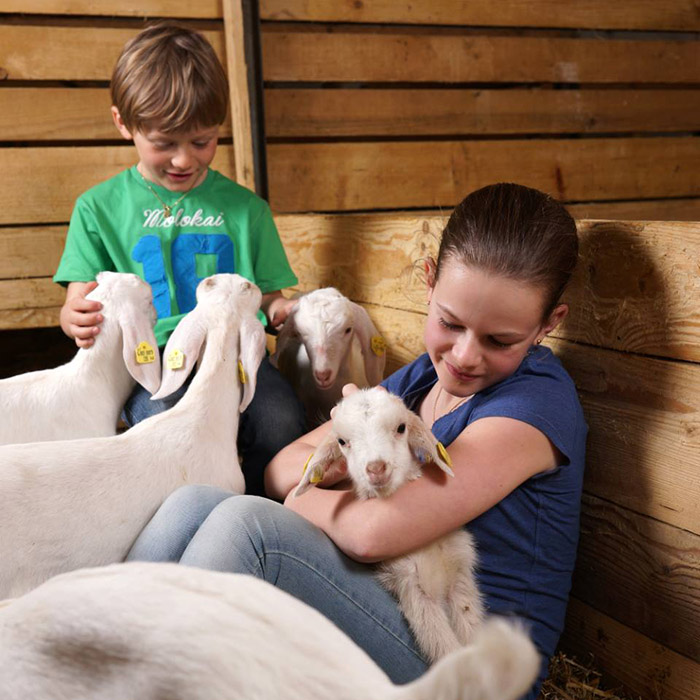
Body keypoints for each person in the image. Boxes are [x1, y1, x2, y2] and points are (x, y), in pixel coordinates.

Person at [127, 183, 587, 699]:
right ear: (430, 282)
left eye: (499, 340)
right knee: (195, 504)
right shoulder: (418, 381)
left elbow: (370, 533)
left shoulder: (535, 407)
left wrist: (331, 478)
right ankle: (105, 644)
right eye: (450, 323)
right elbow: (283, 467)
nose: (464, 355)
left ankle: (140, 682)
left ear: (549, 323)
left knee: (247, 526)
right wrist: (356, 461)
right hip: (386, 596)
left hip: (462, 654)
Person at [53, 22, 306, 496]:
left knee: (281, 418)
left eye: (202, 141)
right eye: (164, 144)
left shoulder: (246, 210)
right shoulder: (97, 208)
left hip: (238, 358)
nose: (184, 160)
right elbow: (77, 300)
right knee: (162, 424)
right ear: (123, 123)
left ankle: (248, 509)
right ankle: (174, 516)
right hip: (150, 363)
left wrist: (283, 312)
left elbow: (269, 299)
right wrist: (74, 316)